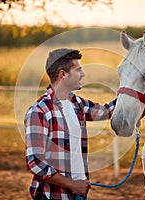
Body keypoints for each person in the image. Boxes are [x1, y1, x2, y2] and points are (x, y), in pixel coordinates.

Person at [24, 48, 116, 200]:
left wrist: (130, 95)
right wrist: (72, 184)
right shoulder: (39, 111)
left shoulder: (76, 103)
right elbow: (35, 163)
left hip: (79, 194)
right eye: (78, 69)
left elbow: (106, 111)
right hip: (54, 196)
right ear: (63, 74)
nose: (83, 74)